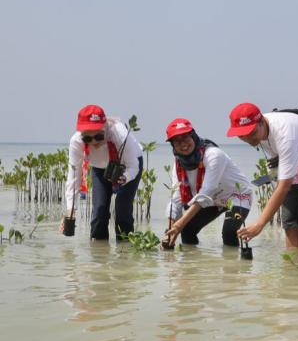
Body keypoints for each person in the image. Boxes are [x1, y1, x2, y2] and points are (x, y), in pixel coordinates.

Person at [227, 102, 298, 255]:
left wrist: (259, 224)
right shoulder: (260, 132)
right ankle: (292, 274)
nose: (247, 138)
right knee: (290, 225)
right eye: (241, 134)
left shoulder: (285, 135)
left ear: (261, 121)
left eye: (251, 133)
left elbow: (284, 186)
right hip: (294, 168)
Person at [162, 118, 253, 247]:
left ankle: (232, 266)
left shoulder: (213, 155)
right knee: (187, 230)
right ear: (172, 145)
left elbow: (206, 192)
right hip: (213, 200)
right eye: (177, 141)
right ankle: (192, 265)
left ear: (193, 136)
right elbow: (176, 198)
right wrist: (171, 230)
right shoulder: (178, 164)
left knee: (229, 232)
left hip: (237, 195)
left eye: (185, 138)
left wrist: (179, 224)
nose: (183, 144)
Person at [64, 104, 143, 240]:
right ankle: (99, 256)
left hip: (127, 167)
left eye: (99, 136)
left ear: (105, 126)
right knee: (99, 213)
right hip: (100, 169)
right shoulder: (76, 141)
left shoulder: (120, 134)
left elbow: (133, 166)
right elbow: (74, 179)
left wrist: (124, 178)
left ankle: (125, 254)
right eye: (88, 139)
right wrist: (70, 211)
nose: (94, 142)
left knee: (122, 209)